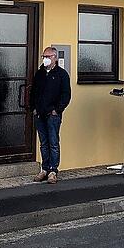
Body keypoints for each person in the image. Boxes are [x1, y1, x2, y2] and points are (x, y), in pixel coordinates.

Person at [29, 47, 71, 185]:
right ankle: (44, 169)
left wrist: (57, 110)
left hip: (53, 114)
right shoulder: (39, 74)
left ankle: (53, 170)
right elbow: (33, 91)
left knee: (53, 142)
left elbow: (66, 95)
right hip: (40, 114)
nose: (45, 58)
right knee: (44, 143)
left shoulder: (62, 74)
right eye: (43, 56)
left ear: (55, 57)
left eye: (48, 56)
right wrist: (33, 108)